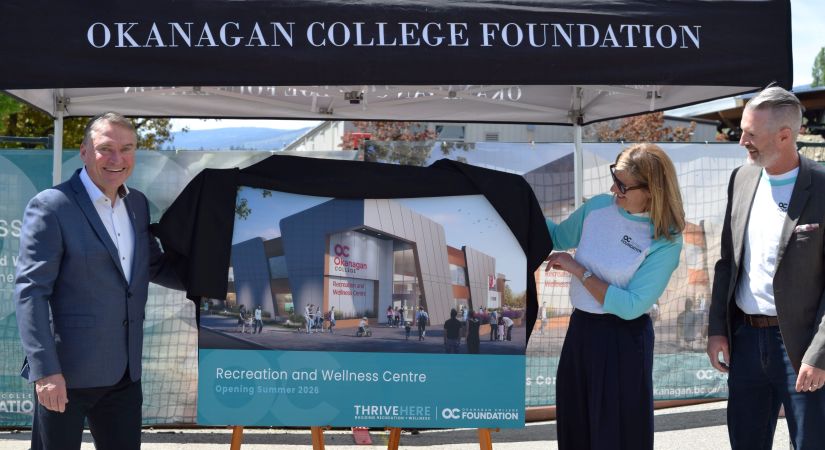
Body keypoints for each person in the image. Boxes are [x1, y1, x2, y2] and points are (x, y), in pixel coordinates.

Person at [14, 112, 182, 450]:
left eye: (127, 148)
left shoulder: (136, 204)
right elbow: (31, 292)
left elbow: (152, 265)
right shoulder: (52, 206)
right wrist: (45, 372)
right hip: (65, 375)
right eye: (106, 148)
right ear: (84, 151)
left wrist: (214, 279)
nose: (117, 159)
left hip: (124, 374)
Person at [706, 86, 825, 449]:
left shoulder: (821, 187)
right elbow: (727, 262)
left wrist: (820, 355)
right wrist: (716, 330)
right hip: (745, 341)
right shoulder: (741, 179)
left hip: (803, 349)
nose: (742, 141)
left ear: (785, 136)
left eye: (751, 133)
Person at [545, 143, 684, 450]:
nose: (613, 188)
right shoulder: (597, 207)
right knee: (575, 427)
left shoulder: (666, 239)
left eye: (622, 185)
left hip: (623, 341)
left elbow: (632, 306)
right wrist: (517, 204)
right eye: (614, 178)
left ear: (652, 190)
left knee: (617, 435)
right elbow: (556, 237)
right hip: (581, 331)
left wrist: (577, 269)